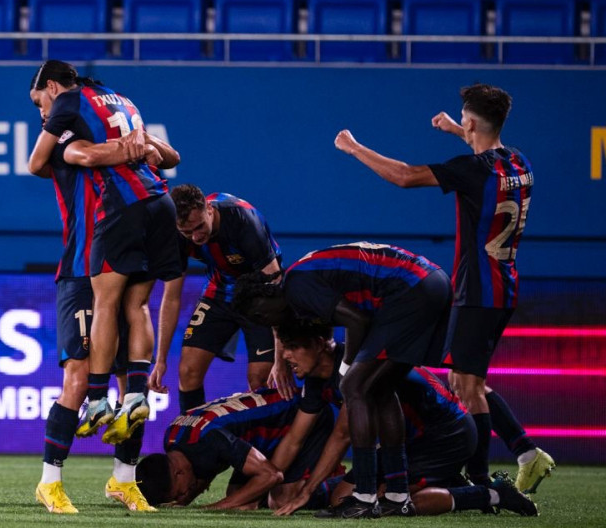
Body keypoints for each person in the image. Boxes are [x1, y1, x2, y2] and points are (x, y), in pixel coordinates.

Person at [334, 83, 553, 492]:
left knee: (466, 386)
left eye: (464, 121)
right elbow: (487, 151)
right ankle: (524, 452)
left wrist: (354, 148)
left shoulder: (472, 170)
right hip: (503, 284)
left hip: (478, 290)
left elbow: (404, 176)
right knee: (469, 380)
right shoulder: (518, 161)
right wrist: (458, 129)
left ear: (472, 122)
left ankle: (483, 482)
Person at [27, 61, 181, 513]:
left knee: (128, 387)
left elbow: (149, 156)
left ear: (52, 90)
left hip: (113, 249)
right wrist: (138, 146)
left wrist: (142, 146)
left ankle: (123, 480)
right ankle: (49, 481)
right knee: (75, 378)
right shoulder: (70, 143)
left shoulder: (76, 122)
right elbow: (88, 157)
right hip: (81, 266)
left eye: (42, 105)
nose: (43, 117)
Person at [231, 242, 451, 517]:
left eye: (260, 316)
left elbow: (356, 321)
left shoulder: (296, 287)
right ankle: (397, 494)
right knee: (380, 390)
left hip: (410, 289)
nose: (266, 324)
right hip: (429, 281)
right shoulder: (298, 283)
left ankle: (364, 496)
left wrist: (346, 369)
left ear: (264, 299)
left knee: (353, 386)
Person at [261, 321, 536, 517]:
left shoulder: (352, 367)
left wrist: (306, 491)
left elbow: (343, 434)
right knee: (341, 500)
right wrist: (264, 483)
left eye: (293, 347)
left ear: (322, 344)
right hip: (410, 440)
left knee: (395, 504)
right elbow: (296, 438)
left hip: (446, 436)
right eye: (284, 348)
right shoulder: (314, 378)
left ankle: (493, 493)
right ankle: (448, 481)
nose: (285, 356)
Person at [155, 184, 282, 413]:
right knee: (187, 371)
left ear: (209, 209)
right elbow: (171, 296)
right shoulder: (175, 235)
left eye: (200, 227)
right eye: (187, 233)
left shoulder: (244, 220)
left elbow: (275, 286)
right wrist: (160, 359)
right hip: (220, 292)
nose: (195, 237)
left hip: (260, 294)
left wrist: (280, 358)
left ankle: (262, 446)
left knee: (260, 380)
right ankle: (194, 444)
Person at [134, 388, 335, 509]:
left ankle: (337, 482)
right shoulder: (173, 439)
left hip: (302, 418)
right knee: (239, 496)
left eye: (178, 493)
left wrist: (215, 508)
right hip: (263, 435)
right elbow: (201, 472)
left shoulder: (210, 440)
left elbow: (271, 475)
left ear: (178, 472)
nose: (182, 497)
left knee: (282, 500)